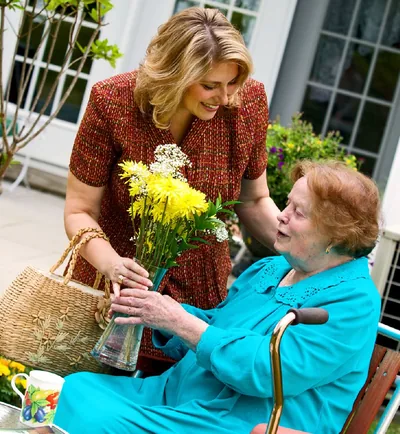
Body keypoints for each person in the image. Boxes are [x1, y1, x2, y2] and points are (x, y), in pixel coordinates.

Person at [54, 161, 381, 434]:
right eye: (287, 204)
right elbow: (218, 324)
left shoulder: (352, 303)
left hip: (241, 421)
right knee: (71, 389)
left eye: (298, 212)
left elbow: (268, 370)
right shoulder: (273, 267)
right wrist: (160, 311)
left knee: (95, 421)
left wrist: (181, 323)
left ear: (335, 233)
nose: (281, 215)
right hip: (180, 397)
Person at [64, 7, 279, 375]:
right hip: (111, 297)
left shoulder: (248, 103)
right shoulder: (112, 101)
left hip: (195, 306)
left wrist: (316, 256)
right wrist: (112, 264)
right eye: (209, 85)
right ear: (175, 76)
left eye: (232, 84)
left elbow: (255, 200)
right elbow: (79, 210)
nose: (224, 98)